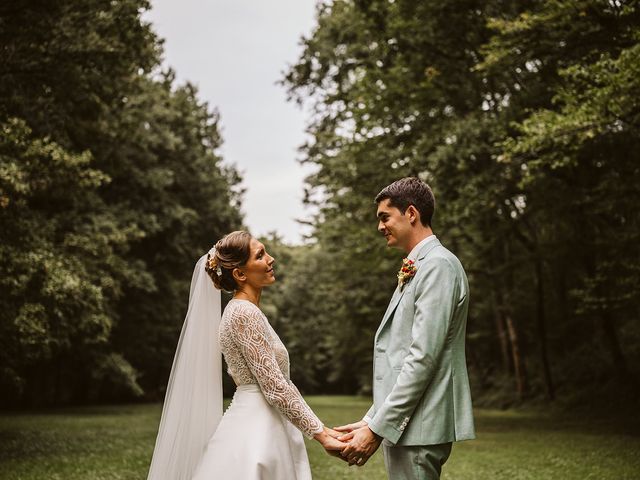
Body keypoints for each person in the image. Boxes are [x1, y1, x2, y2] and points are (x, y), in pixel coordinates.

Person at [147, 230, 343, 480]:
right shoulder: (243, 314)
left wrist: (323, 429)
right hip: (256, 430)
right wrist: (322, 435)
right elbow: (275, 387)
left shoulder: (247, 311)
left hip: (266, 421)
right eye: (260, 255)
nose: (271, 259)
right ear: (240, 274)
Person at [334, 177, 475, 479]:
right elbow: (400, 357)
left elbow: (422, 358)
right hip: (407, 423)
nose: (380, 227)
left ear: (411, 213)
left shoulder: (438, 266)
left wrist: (377, 428)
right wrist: (373, 418)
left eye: (385, 217)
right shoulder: (419, 266)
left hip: (420, 424)